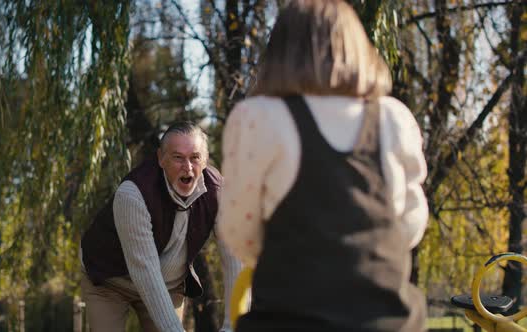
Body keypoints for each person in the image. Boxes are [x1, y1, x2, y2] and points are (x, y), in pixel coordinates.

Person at [217, 0, 429, 331]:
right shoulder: (394, 118)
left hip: (289, 314)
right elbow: (410, 223)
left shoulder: (257, 117)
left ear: (280, 51)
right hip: (386, 319)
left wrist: (281, 257)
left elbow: (237, 229)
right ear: (358, 47)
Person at [80, 121, 241, 332]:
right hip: (109, 281)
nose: (188, 167)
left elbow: (235, 258)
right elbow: (146, 275)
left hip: (169, 284)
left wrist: (232, 325)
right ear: (161, 159)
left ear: (205, 160)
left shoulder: (219, 192)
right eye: (178, 157)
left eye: (195, 157)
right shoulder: (132, 195)